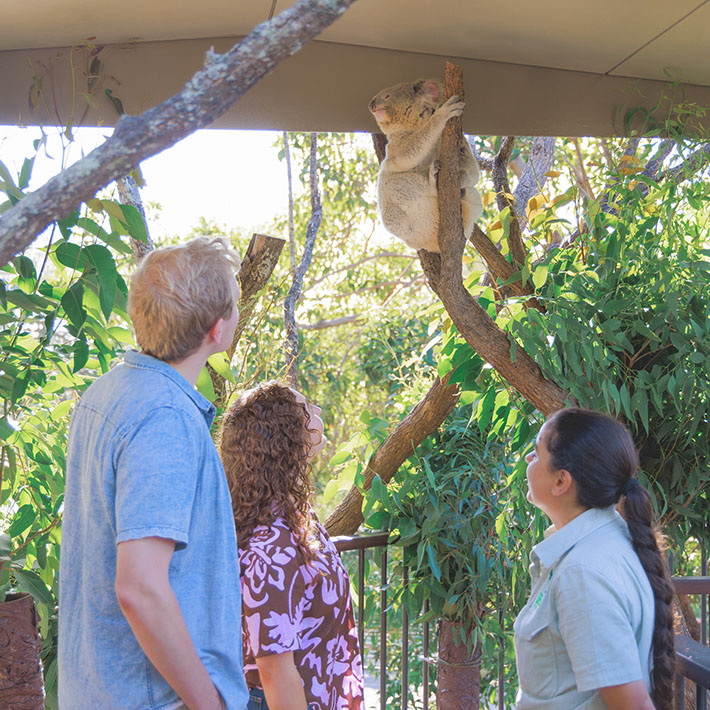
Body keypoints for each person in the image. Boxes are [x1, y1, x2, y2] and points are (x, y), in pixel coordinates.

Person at [58, 237, 249, 710]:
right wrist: (210, 704)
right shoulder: (163, 415)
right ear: (217, 330)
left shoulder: (107, 392)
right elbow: (139, 588)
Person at [514, 407, 676, 710]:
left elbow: (632, 705)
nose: (528, 460)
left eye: (536, 453)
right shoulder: (606, 541)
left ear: (561, 481)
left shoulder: (583, 573)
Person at [219, 381, 364, 710]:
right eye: (308, 409)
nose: (319, 413)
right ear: (287, 439)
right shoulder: (270, 542)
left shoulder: (290, 514)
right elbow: (273, 668)